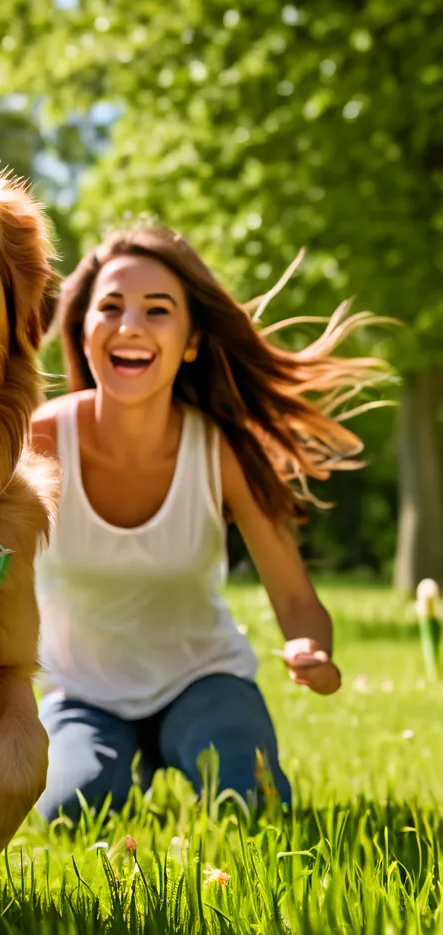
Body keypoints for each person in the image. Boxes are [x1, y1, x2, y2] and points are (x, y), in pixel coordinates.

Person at [31, 223, 388, 824]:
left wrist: (312, 651)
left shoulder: (220, 450)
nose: (130, 326)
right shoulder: (40, 439)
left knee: (248, 801)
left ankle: (193, 743)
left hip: (202, 679)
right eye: (110, 308)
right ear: (84, 331)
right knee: (71, 811)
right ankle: (115, 762)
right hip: (83, 693)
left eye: (158, 310)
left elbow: (297, 598)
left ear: (192, 340)